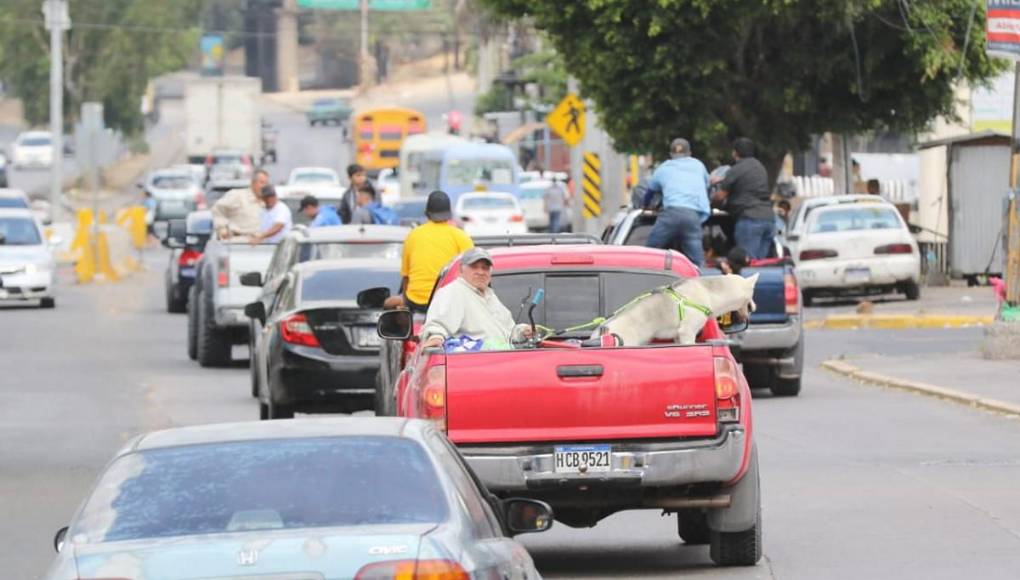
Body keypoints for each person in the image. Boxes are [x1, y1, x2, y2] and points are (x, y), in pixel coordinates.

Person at [421, 247, 532, 350]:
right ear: (461, 270)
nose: (481, 272)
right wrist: (435, 337)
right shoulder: (453, 292)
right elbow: (437, 326)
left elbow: (508, 331)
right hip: (474, 364)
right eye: (474, 267)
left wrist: (522, 331)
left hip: (499, 361)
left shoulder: (489, 295)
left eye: (485, 268)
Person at [387, 190, 474, 313]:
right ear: (449, 214)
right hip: (448, 303)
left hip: (416, 302)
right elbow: (472, 276)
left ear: (427, 213)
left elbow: (406, 277)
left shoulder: (413, 235)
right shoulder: (461, 237)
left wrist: (408, 301)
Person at [643, 138, 711, 266]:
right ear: (690, 153)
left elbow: (650, 191)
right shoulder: (698, 165)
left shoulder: (664, 167)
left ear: (671, 154)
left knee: (650, 252)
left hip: (671, 215)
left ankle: (646, 274)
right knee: (697, 261)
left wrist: (645, 205)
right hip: (692, 216)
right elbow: (707, 185)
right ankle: (701, 279)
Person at [711, 138, 775, 259]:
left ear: (735, 153)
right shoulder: (760, 167)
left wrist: (711, 203)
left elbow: (720, 196)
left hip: (750, 220)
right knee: (760, 265)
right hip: (769, 220)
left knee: (746, 263)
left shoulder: (736, 169)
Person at [211, 169, 269, 240]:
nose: (264, 186)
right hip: (238, 243)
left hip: (261, 244)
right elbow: (217, 208)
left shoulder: (266, 203)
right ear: (253, 183)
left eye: (266, 183)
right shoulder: (239, 196)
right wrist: (222, 228)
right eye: (262, 183)